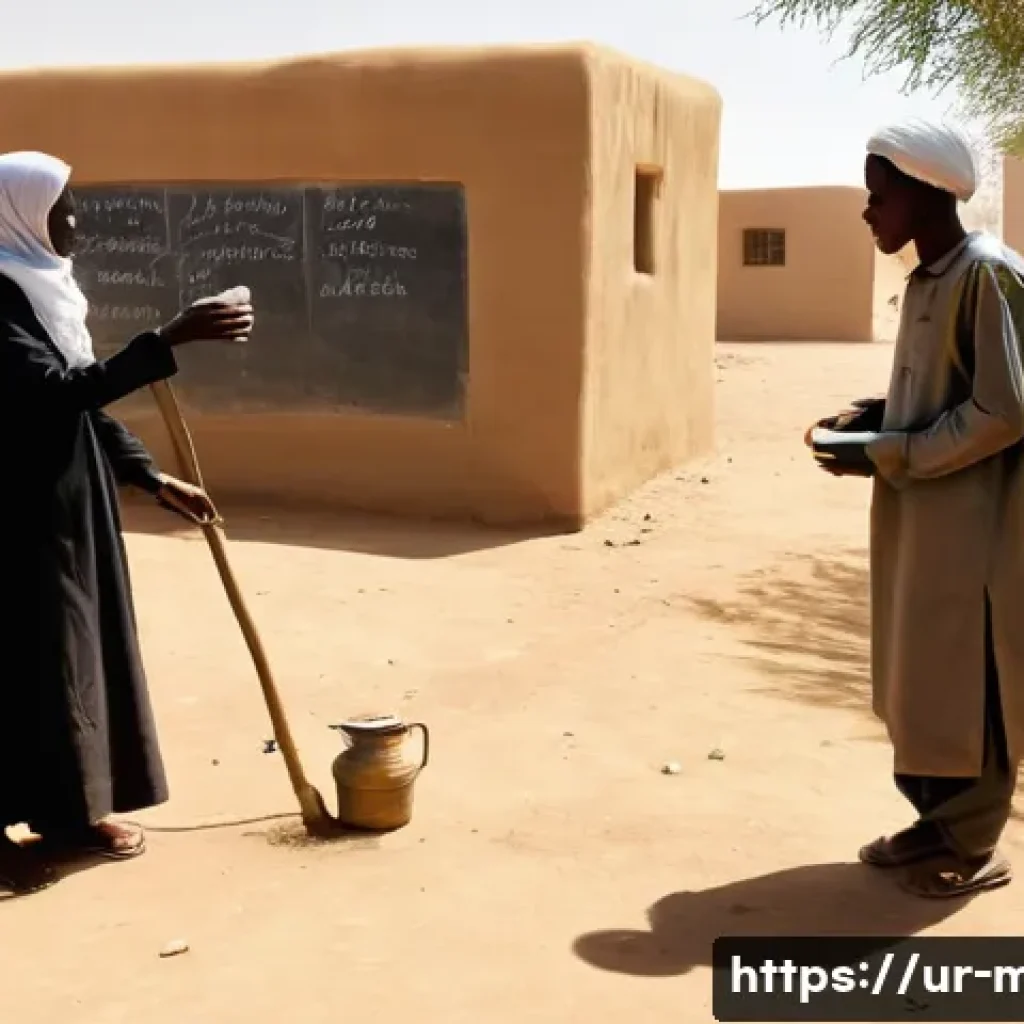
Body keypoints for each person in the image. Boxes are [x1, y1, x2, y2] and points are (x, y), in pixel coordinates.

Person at [0, 151, 254, 894]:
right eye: (61, 206)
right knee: (17, 658)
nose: (75, 219)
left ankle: (70, 812)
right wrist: (166, 342)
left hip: (67, 507)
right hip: (14, 513)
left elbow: (80, 403)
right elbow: (48, 395)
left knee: (70, 657)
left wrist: (149, 475)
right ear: (19, 212)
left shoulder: (42, 290)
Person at [808, 118, 1024, 898]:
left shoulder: (988, 275)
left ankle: (974, 846)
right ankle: (935, 822)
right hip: (922, 523)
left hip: (978, 533)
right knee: (923, 674)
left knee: (976, 679)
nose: (869, 213)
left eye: (878, 197)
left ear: (926, 194)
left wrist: (889, 451)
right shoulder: (931, 278)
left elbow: (1003, 411)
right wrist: (874, 414)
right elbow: (947, 390)